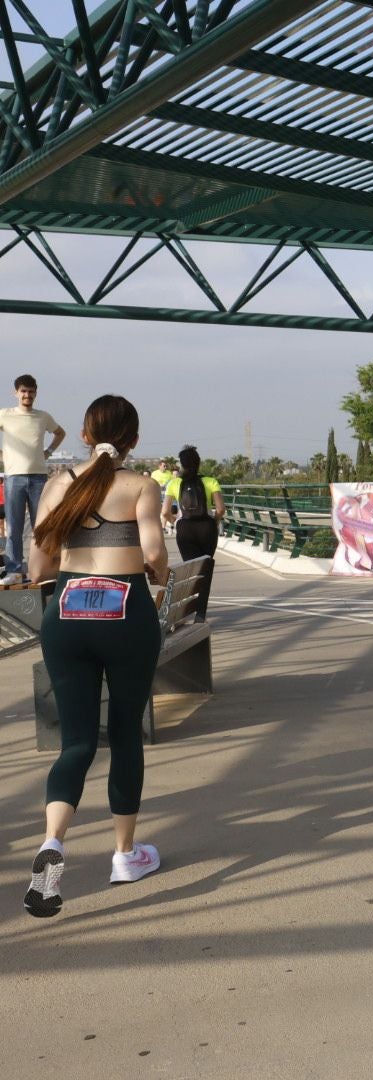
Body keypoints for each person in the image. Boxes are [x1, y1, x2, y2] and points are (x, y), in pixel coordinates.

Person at [23, 395, 168, 918]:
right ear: (133, 438)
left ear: (84, 435)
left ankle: (53, 843)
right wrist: (161, 576)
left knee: (77, 742)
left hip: (65, 616)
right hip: (125, 614)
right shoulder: (141, 486)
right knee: (125, 734)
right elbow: (152, 554)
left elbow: (38, 563)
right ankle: (126, 856)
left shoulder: (58, 485)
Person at [1, 374, 67, 584]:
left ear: (35, 393)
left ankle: (46, 567)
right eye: (23, 391)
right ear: (16, 393)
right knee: (14, 527)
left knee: (44, 527)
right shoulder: (5, 414)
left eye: (30, 391)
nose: (27, 395)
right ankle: (15, 569)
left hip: (39, 477)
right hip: (14, 478)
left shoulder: (43, 416)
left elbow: (60, 433)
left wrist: (48, 451)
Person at [160, 445, 225, 619]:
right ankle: (200, 614)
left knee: (191, 570)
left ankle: (183, 610)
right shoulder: (211, 481)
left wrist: (177, 522)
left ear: (181, 464)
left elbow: (165, 512)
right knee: (205, 570)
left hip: (185, 529)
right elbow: (220, 509)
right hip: (207, 529)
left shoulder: (174, 483)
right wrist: (214, 521)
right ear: (198, 463)